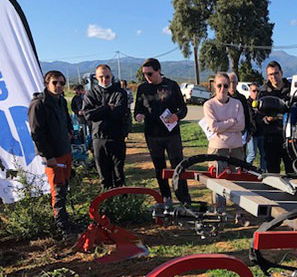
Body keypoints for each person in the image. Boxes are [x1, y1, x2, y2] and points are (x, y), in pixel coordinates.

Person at [134, 58, 190, 203]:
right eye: (144, 74)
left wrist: (176, 116)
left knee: (178, 167)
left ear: (159, 71)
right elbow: (138, 109)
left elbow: (183, 108)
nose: (147, 77)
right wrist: (138, 115)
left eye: (150, 74)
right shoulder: (142, 88)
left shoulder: (171, 85)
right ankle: (166, 199)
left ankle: (184, 199)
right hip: (152, 135)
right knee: (160, 169)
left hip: (172, 135)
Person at [27, 71, 75, 236]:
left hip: (65, 150)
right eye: (55, 82)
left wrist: (70, 132)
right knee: (58, 190)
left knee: (65, 187)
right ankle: (62, 228)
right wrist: (47, 156)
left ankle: (66, 221)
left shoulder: (61, 100)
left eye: (62, 83)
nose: (59, 86)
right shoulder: (38, 104)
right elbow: (37, 134)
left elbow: (67, 118)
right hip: (53, 155)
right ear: (47, 83)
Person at [203, 72, 246, 222]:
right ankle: (220, 213)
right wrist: (231, 122)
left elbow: (241, 125)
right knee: (218, 181)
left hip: (236, 147)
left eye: (226, 85)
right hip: (218, 148)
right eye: (219, 85)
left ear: (230, 86)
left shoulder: (237, 104)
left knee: (238, 181)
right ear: (214, 86)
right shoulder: (209, 105)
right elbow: (213, 127)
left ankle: (239, 213)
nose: (222, 89)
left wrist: (224, 125)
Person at [83, 64, 128, 190]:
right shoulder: (90, 94)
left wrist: (99, 111)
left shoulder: (120, 93)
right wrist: (108, 108)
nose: (104, 79)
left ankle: (123, 204)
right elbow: (88, 114)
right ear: (96, 77)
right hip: (98, 138)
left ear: (111, 76)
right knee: (104, 175)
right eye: (101, 77)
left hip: (116, 137)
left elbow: (119, 113)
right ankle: (107, 204)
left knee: (119, 173)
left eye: (107, 76)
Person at [257, 61, 293, 174]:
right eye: (270, 75)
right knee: (273, 173)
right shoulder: (263, 93)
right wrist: (266, 120)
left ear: (281, 73)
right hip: (271, 137)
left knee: (292, 172)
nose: (274, 77)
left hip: (290, 138)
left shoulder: (293, 90)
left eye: (276, 73)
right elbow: (257, 117)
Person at [228, 72, 254, 149]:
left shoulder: (242, 98)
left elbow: (246, 115)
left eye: (234, 82)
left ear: (237, 83)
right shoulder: (223, 98)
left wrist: (249, 131)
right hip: (227, 133)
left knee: (240, 157)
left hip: (241, 133)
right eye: (230, 82)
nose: (232, 84)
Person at [246, 83, 262, 168]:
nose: (256, 93)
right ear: (250, 91)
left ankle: (263, 172)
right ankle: (246, 168)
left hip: (261, 132)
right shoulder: (247, 103)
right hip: (252, 133)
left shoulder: (261, 102)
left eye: (258, 91)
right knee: (252, 154)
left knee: (264, 154)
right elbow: (250, 118)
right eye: (254, 91)